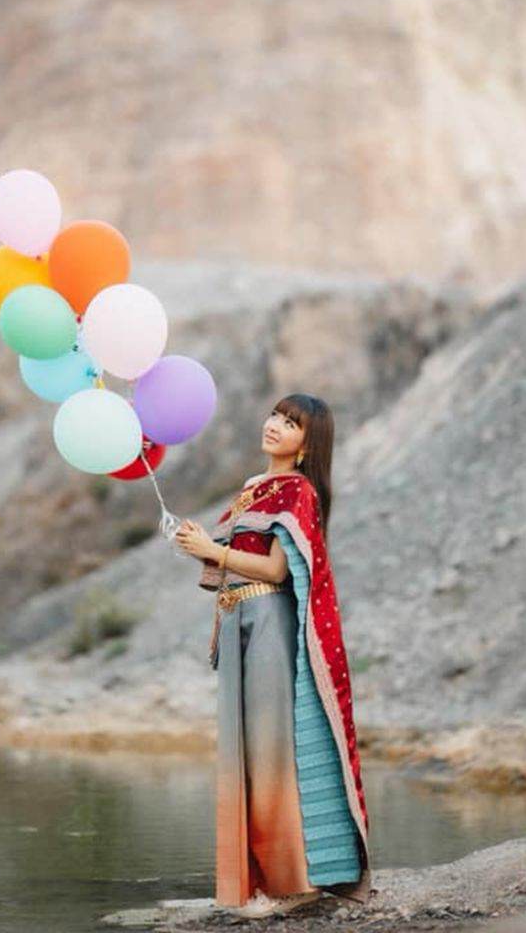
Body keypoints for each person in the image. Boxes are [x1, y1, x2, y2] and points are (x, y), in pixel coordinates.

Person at [175, 393, 372, 920]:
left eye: (291, 424)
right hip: (239, 620)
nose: (276, 427)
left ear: (308, 446)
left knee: (271, 752)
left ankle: (293, 880)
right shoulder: (253, 489)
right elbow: (232, 566)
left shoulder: (298, 491)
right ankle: (255, 882)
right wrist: (200, 546)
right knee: (244, 753)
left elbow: (278, 572)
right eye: (276, 416)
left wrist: (212, 550)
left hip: (268, 622)